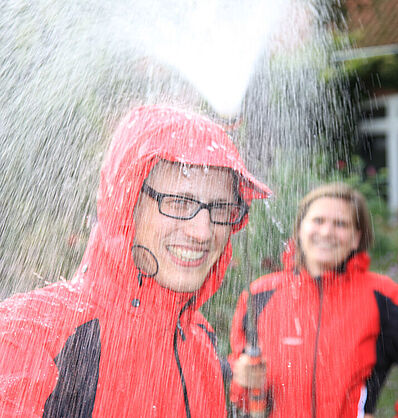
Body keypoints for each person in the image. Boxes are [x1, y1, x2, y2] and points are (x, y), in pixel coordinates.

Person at [0, 104, 271, 417]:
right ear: (126, 203)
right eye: (180, 202)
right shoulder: (28, 334)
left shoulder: (199, 345)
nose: (203, 232)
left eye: (221, 209)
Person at [229, 182, 398, 417]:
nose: (327, 232)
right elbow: (243, 396)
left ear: (356, 238)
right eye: (318, 221)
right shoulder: (259, 295)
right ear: (300, 228)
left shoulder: (383, 298)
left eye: (340, 224)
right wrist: (243, 382)